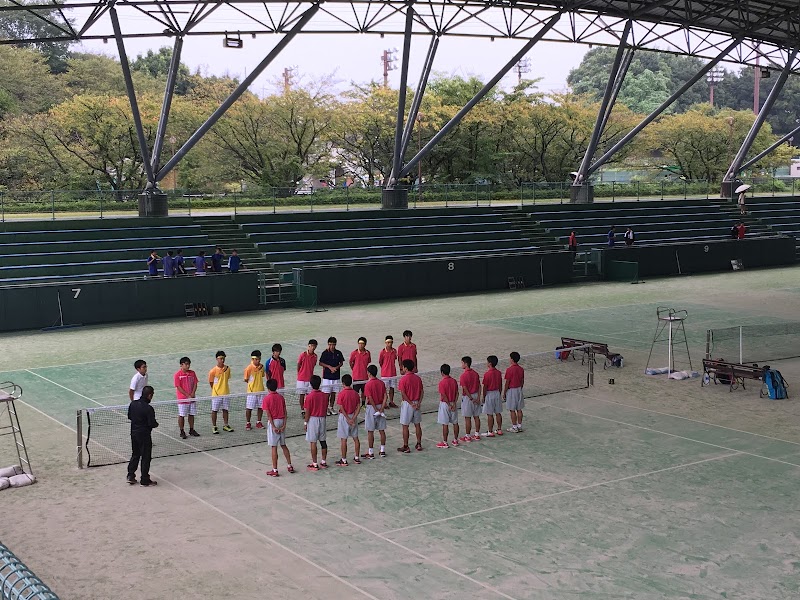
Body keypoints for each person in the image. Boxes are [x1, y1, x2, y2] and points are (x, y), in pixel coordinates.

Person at [262, 379, 295, 476]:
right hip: (281, 421)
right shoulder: (281, 397)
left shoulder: (266, 399)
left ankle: (275, 470)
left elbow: (269, 415)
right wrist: (284, 425)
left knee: (274, 447)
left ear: (268, 388)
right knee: (283, 444)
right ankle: (289, 465)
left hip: (274, 423)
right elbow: (285, 412)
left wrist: (273, 426)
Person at [127, 385, 158, 486]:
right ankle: (144, 479)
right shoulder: (149, 409)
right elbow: (152, 423)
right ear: (149, 395)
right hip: (144, 435)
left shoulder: (133, 404)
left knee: (135, 454)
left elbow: (130, 416)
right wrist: (156, 424)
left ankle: (130, 475)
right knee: (145, 457)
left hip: (134, 434)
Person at [397, 358, 424, 453]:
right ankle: (419, 443)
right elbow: (421, 392)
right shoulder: (418, 378)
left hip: (408, 404)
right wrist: (418, 403)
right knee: (417, 425)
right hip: (417, 403)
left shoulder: (403, 379)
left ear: (405, 368)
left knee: (405, 426)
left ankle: (406, 446)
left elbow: (403, 393)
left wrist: (411, 403)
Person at [303, 375, 329, 471]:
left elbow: (308, 412)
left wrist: (306, 423)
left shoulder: (309, 397)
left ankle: (314, 464)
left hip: (313, 420)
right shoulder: (324, 396)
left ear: (311, 384)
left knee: (313, 442)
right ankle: (323, 461)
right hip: (322, 419)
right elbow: (325, 408)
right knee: (323, 441)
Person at [362, 365, 388, 459]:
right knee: (381, 430)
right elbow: (385, 396)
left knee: (370, 431)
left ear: (368, 373)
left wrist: (376, 410)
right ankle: (382, 451)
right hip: (380, 406)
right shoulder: (381, 383)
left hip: (371, 408)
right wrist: (381, 409)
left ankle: (371, 453)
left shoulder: (368, 385)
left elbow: (370, 398)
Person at [335, 374, 362, 466]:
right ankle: (357, 458)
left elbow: (341, 408)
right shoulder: (355, 393)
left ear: (343, 383)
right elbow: (359, 407)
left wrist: (348, 419)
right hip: (353, 417)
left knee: (344, 439)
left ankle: (344, 460)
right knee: (355, 438)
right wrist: (353, 418)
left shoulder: (341, 394)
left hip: (344, 418)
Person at [174, 357, 200, 439]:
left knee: (191, 414)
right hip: (182, 400)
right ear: (181, 365)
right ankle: (182, 431)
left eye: (189, 364)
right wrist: (187, 395)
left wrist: (192, 393)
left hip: (192, 398)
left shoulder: (192, 373)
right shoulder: (177, 375)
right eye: (186, 364)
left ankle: (191, 429)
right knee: (182, 415)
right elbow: (178, 387)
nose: (188, 366)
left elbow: (195, 383)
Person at [209, 350, 233, 434]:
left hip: (226, 393)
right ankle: (214, 426)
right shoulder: (213, 371)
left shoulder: (227, 369)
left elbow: (226, 379)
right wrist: (216, 390)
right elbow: (211, 382)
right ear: (217, 359)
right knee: (214, 410)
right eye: (220, 358)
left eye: (223, 358)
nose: (222, 360)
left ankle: (226, 425)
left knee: (225, 410)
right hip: (216, 395)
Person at [319, 336, 345, 416]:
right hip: (327, 377)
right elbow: (320, 363)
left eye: (333, 344)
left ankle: (331, 407)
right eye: (330, 344)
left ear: (335, 344)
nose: (332, 346)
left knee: (333, 393)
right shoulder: (325, 353)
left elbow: (341, 362)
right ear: (328, 344)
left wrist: (336, 368)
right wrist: (329, 367)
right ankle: (326, 408)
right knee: (327, 394)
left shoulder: (338, 353)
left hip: (336, 377)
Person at [436, 364, 460, 448]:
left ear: (442, 372)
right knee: (455, 422)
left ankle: (445, 442)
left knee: (445, 424)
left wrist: (449, 405)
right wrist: (454, 403)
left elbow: (443, 395)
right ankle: (455, 440)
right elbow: (457, 393)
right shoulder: (454, 381)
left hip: (445, 405)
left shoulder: (442, 383)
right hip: (453, 403)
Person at [459, 356, 482, 442]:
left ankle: (468, 436)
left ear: (465, 364)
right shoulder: (475, 374)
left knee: (467, 418)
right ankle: (477, 434)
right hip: (476, 395)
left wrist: (471, 398)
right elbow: (479, 386)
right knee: (476, 416)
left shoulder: (463, 376)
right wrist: (478, 397)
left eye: (462, 363)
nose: (461, 364)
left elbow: (465, 388)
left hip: (468, 398)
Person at [481, 355, 504, 437]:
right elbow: (500, 385)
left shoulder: (487, 374)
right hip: (497, 393)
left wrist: (483, 397)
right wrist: (500, 393)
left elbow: (485, 387)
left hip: (490, 394)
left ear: (490, 363)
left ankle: (490, 431)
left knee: (490, 414)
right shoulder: (498, 373)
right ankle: (499, 429)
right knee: (498, 412)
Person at [503, 352, 525, 433]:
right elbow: (522, 381)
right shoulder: (521, 369)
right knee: (519, 409)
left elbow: (507, 382)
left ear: (512, 359)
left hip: (512, 391)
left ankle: (514, 427)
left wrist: (504, 393)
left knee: (512, 410)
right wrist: (520, 388)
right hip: (519, 389)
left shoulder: (509, 370)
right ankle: (519, 426)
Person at [244, 350, 266, 431]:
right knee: (249, 408)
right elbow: (246, 379)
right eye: (256, 359)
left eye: (259, 359)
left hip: (261, 391)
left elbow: (262, 375)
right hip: (251, 392)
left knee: (260, 407)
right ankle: (248, 423)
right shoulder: (248, 368)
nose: (258, 361)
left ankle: (258, 422)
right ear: (253, 359)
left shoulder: (262, 367)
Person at [297, 339, 318, 422]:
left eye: (314, 346)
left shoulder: (315, 356)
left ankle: (308, 409)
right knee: (301, 395)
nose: (312, 347)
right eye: (311, 346)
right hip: (301, 379)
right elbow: (298, 365)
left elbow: (313, 365)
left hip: (310, 379)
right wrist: (300, 374)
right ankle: (302, 410)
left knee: (309, 396)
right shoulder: (302, 355)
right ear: (308, 346)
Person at [349, 337, 371, 405]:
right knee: (355, 392)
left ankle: (363, 404)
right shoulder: (354, 353)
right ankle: (355, 404)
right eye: (359, 343)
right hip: (356, 377)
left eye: (362, 344)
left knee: (364, 392)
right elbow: (350, 362)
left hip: (364, 376)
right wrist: (354, 369)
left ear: (365, 344)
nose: (361, 345)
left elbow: (368, 362)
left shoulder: (368, 353)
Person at [379, 335, 399, 408]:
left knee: (392, 388)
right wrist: (384, 368)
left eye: (391, 342)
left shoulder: (394, 351)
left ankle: (391, 401)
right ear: (385, 343)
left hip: (393, 373)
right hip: (385, 374)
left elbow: (395, 359)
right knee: (384, 389)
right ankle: (384, 403)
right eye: (388, 342)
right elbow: (380, 362)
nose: (389, 344)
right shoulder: (382, 352)